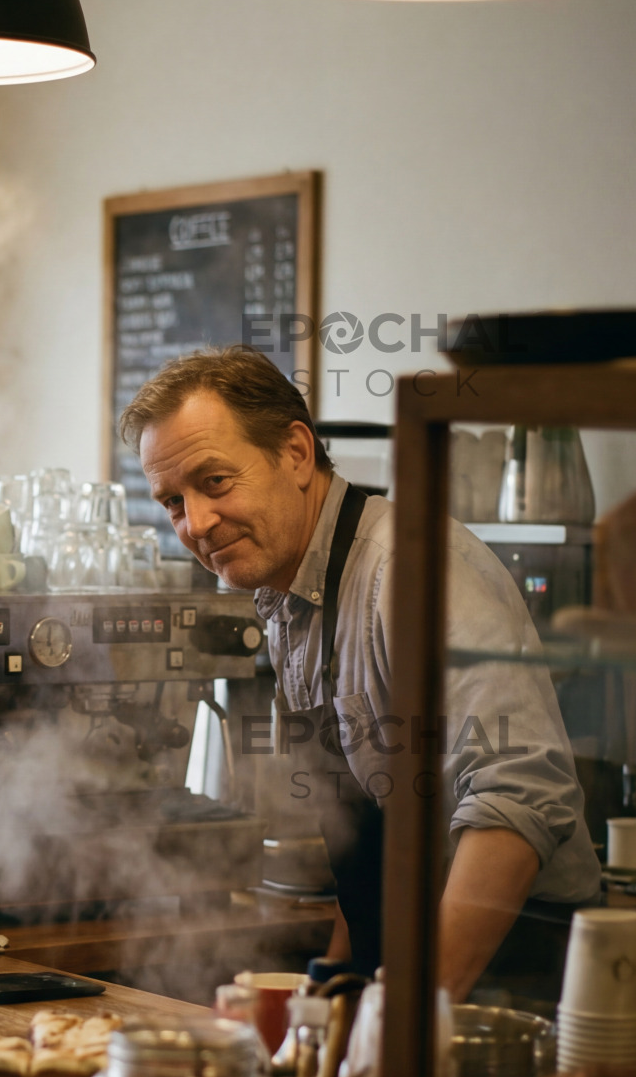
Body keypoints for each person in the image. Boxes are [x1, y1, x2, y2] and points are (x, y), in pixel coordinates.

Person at [123, 346, 599, 999]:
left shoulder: (409, 568)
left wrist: (404, 1013)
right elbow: (365, 825)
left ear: (295, 452)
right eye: (173, 501)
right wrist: (335, 977)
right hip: (406, 972)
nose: (196, 523)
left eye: (214, 481)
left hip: (514, 975)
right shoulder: (293, 594)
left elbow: (517, 796)